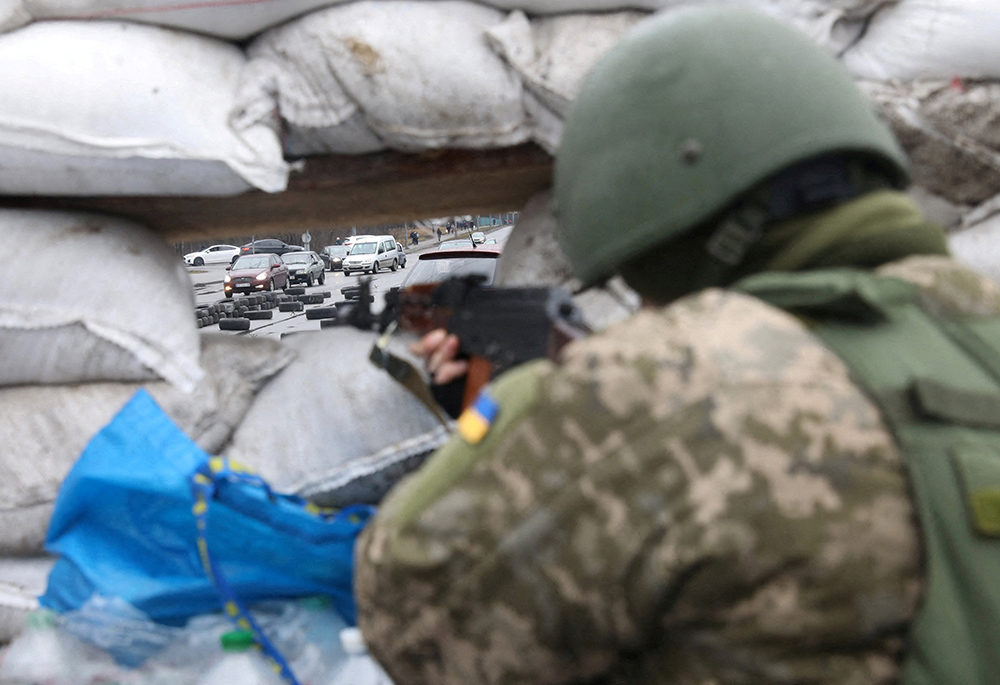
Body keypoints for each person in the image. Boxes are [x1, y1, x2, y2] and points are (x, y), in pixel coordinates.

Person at [355, 6, 1000, 684]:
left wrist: (536, 411)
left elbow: (412, 622)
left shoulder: (673, 388)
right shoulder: (979, 327)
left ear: (658, 235)